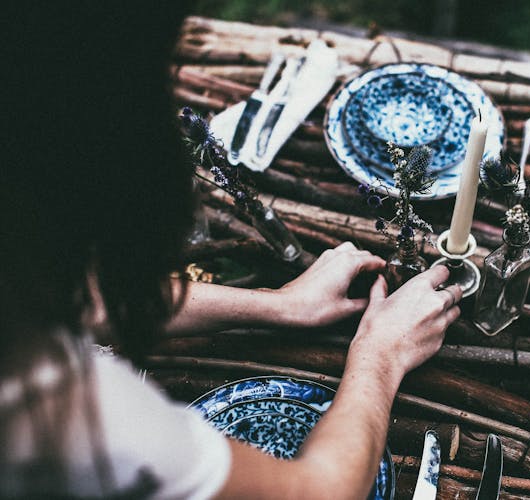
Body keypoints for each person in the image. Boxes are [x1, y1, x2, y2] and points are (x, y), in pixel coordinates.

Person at [0, 2, 462, 498]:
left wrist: (278, 304)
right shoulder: (73, 420)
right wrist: (380, 356)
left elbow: (62, 298)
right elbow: (320, 491)